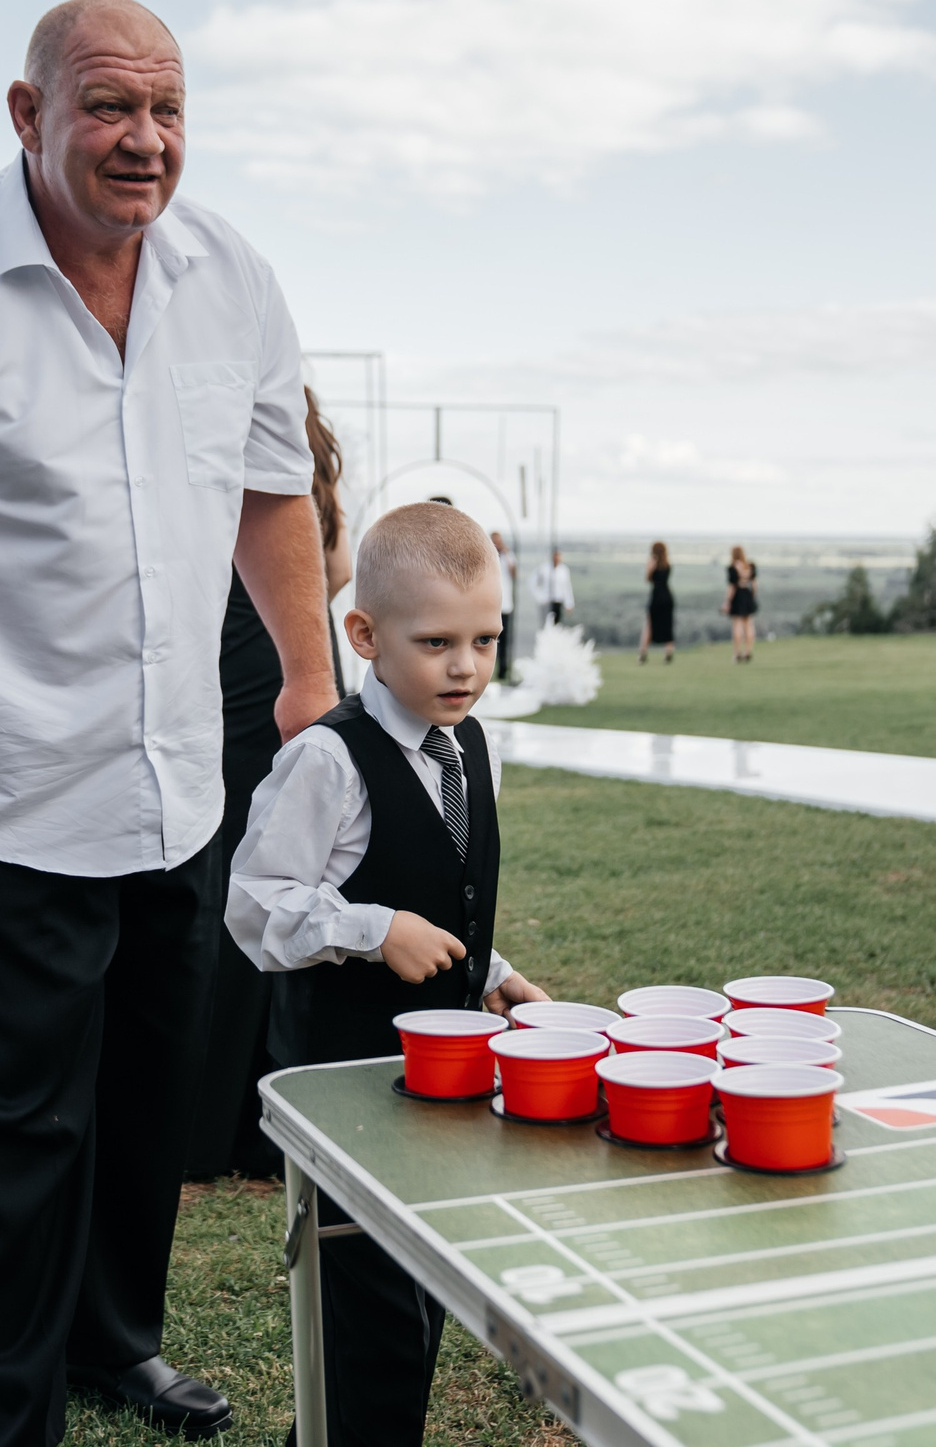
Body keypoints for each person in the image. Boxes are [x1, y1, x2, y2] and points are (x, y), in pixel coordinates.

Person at [0, 0, 336, 1444]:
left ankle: (115, 1338)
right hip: (1, 790)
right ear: (27, 114)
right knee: (16, 1129)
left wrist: (311, 685)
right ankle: (4, 1409)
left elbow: (276, 490)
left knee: (148, 1097)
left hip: (178, 784)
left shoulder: (232, 274)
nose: (143, 139)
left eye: (165, 109)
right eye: (107, 106)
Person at [226, 502, 550, 1447]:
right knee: (368, 1319)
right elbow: (255, 903)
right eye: (438, 641)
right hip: (350, 1084)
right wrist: (371, 929)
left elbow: (443, 891)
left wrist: (488, 968)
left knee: (418, 1298)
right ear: (363, 634)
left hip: (443, 1083)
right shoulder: (328, 760)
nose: (467, 667)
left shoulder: (471, 749)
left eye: (486, 640)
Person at [182, 387, 351, 1181]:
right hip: (300, 651)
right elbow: (339, 565)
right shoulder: (310, 461)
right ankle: (261, 1115)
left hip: (237, 652)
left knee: (234, 877)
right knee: (298, 867)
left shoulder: (213, 450)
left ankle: (207, 1120)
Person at [640, 539, 676, 663]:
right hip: (667, 596)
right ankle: (668, 653)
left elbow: (648, 579)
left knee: (649, 624)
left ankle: (643, 654)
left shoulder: (653, 562)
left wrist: (651, 566)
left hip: (656, 596)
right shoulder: (667, 563)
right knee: (667, 625)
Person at [490, 530, 518, 679]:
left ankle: (503, 670)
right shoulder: (487, 556)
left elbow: (514, 574)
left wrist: (507, 555)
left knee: (505, 639)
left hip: (505, 604)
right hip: (491, 605)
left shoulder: (508, 556)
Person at [725, 544, 759, 662]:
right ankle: (748, 651)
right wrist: (752, 597)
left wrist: (727, 602)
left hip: (738, 596)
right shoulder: (750, 566)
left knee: (737, 626)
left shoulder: (732, 568)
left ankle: (737, 653)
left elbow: (732, 587)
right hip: (748, 594)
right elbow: (754, 585)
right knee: (749, 625)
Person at [543, 548, 574, 626]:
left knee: (557, 623)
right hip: (547, 601)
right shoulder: (545, 568)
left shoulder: (564, 570)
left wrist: (569, 603)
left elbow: (567, 587)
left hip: (558, 601)